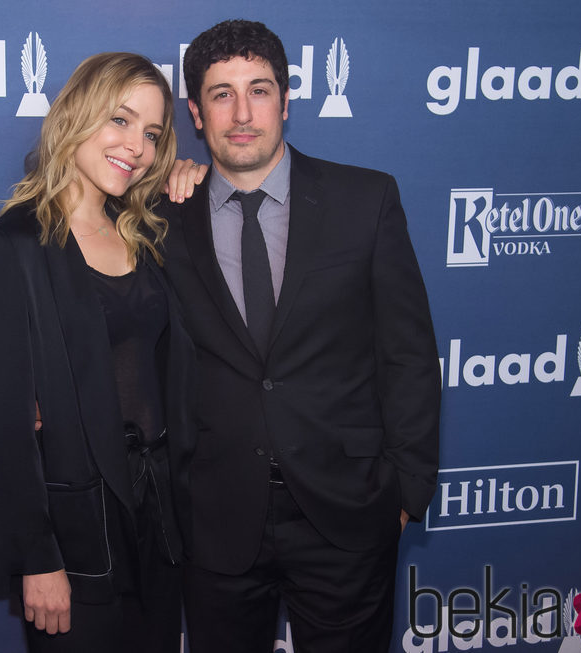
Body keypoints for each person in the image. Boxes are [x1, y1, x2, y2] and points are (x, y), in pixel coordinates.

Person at [160, 20, 441, 653]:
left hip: (349, 513)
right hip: (215, 519)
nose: (241, 112)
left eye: (258, 89)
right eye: (220, 93)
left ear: (287, 100)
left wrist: (405, 491)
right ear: (196, 115)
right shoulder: (161, 217)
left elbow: (410, 356)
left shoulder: (365, 199)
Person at [0, 52, 193, 653]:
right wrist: (36, 558)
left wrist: (192, 179)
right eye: (120, 120)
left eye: (152, 133)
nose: (137, 146)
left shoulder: (144, 233)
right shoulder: (14, 245)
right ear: (76, 114)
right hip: (77, 533)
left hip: (160, 523)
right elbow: (5, 426)